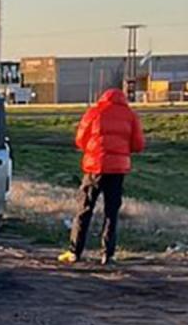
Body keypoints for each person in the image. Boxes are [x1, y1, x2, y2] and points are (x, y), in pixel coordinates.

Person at [58, 87, 145, 266]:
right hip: (117, 170)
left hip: (94, 168)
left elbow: (80, 139)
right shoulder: (130, 115)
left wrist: (92, 150)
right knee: (111, 213)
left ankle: (75, 251)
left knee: (85, 209)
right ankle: (108, 254)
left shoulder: (94, 112)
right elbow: (138, 144)